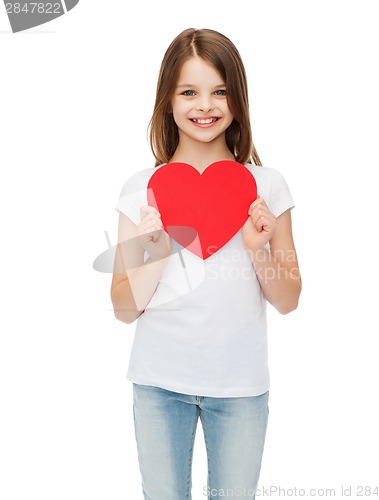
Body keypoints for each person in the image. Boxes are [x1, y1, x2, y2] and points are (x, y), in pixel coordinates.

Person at [110, 28, 301, 500]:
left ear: (237, 99)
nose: (205, 105)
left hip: (239, 388)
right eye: (189, 92)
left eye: (220, 91)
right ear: (168, 101)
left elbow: (289, 299)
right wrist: (156, 251)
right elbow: (122, 307)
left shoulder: (267, 186)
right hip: (158, 384)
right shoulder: (142, 189)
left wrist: (258, 249)